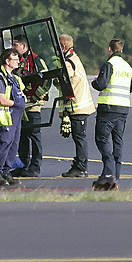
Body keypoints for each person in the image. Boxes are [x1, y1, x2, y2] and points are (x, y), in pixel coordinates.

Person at [91, 38, 132, 190]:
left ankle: (108, 172)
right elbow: (129, 89)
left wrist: (94, 82)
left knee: (101, 139)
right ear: (121, 49)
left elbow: (101, 84)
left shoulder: (109, 64)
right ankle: (115, 176)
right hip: (123, 109)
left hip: (108, 108)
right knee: (118, 143)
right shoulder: (128, 67)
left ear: (110, 49)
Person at [0, 48, 26, 186]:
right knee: (4, 143)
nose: (18, 62)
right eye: (15, 59)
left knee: (14, 144)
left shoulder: (14, 78)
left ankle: (6, 172)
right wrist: (16, 103)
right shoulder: (0, 78)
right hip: (6, 116)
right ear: (7, 61)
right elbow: (1, 99)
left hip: (16, 116)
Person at [56, 35, 96, 178]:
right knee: (79, 138)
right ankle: (80, 165)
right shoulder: (74, 59)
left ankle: (81, 167)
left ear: (63, 47)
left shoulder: (68, 63)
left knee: (79, 138)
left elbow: (64, 83)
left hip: (77, 107)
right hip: (79, 107)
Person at [11, 35, 50, 178]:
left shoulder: (37, 60)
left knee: (34, 137)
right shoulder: (17, 61)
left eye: (16, 45)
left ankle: (35, 167)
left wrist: (35, 97)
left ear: (24, 46)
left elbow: (47, 81)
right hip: (20, 107)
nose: (13, 48)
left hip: (33, 106)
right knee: (21, 137)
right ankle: (22, 165)